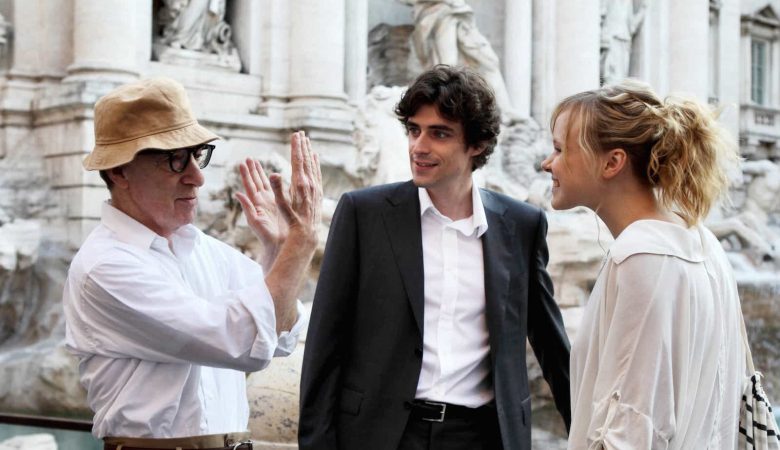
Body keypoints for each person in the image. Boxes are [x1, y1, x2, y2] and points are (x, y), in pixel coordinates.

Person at [299, 65, 571, 450]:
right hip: (382, 436)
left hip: (483, 437)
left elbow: (552, 348)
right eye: (414, 130)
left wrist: (588, 431)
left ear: (477, 144)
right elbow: (325, 346)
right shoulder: (365, 214)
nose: (419, 146)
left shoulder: (521, 226)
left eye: (439, 133)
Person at [62, 77, 322, 450]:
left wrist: (279, 249)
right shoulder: (104, 267)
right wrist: (300, 244)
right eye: (175, 160)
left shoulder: (204, 249)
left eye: (197, 156)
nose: (197, 177)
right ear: (119, 171)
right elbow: (240, 340)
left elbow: (280, 336)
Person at [541, 80, 746, 449]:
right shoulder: (700, 240)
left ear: (612, 162)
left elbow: (631, 429)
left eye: (559, 149)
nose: (547, 163)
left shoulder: (642, 256)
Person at [401, 0, 523, 122]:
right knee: (448, 68)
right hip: (438, 14)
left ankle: (505, 110)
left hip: (460, 13)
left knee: (489, 62)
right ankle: (447, 113)